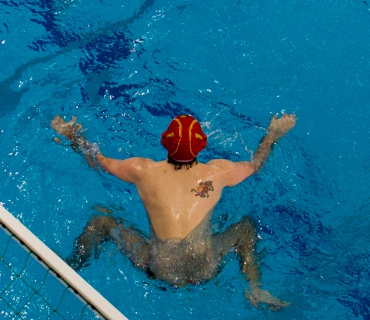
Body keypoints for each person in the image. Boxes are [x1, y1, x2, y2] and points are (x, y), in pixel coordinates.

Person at [51, 111, 297, 308]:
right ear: (201, 146)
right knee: (245, 227)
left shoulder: (143, 170)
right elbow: (256, 164)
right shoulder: (218, 172)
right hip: (206, 266)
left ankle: (70, 267)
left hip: (161, 268)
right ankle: (254, 287)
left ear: (164, 142)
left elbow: (98, 160)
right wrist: (273, 134)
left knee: (102, 219)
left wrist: (73, 135)